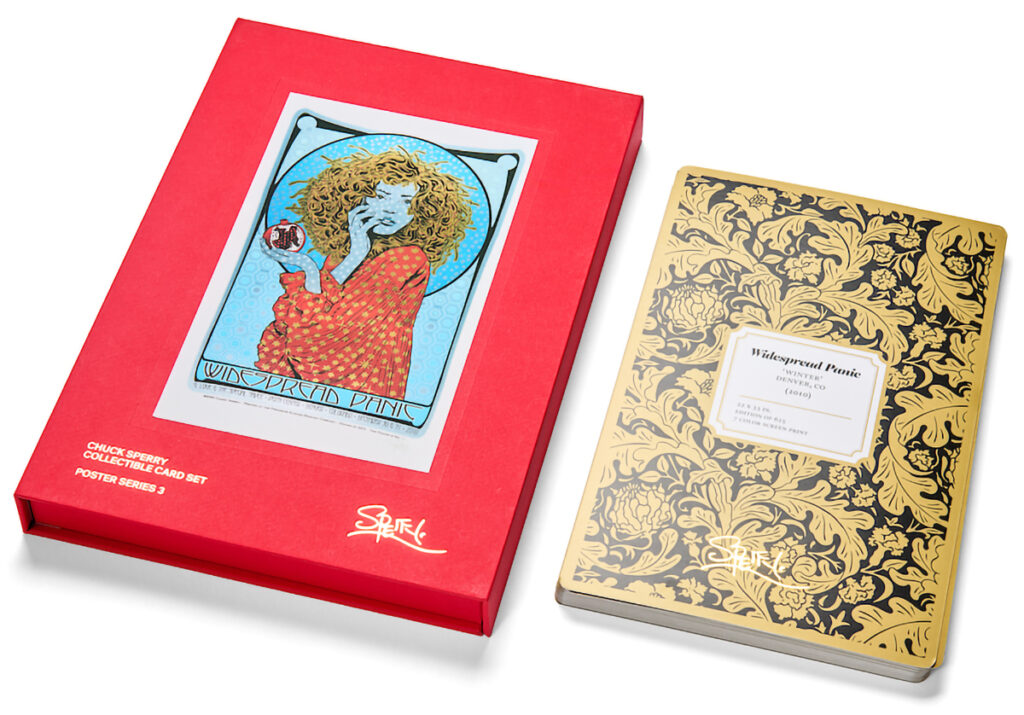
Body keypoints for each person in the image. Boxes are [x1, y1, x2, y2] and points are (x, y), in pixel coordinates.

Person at [254, 147, 473, 400]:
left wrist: (311, 268)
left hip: (361, 381)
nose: (391, 210)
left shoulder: (408, 259)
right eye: (381, 196)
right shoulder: (344, 255)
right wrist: (346, 257)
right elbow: (294, 327)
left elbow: (320, 335)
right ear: (359, 199)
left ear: (422, 210)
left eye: (406, 201)